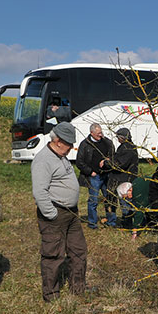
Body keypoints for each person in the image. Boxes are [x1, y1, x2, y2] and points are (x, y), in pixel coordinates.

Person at [31, 122, 87, 302]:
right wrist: (51, 213)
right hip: (55, 213)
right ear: (58, 141)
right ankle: (51, 294)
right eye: (69, 144)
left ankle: (78, 288)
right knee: (53, 254)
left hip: (72, 213)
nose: (71, 148)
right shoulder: (43, 160)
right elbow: (40, 192)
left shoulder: (61, 156)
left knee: (78, 250)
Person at [76, 123, 116, 229]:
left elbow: (112, 153)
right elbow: (79, 162)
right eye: (98, 133)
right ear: (91, 133)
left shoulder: (106, 142)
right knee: (93, 201)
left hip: (106, 174)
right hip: (94, 176)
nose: (100, 135)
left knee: (109, 198)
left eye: (101, 132)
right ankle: (92, 223)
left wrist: (108, 160)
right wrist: (90, 172)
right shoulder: (85, 144)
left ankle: (111, 221)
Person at [107, 127, 138, 215]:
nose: (117, 139)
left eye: (118, 137)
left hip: (124, 179)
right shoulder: (126, 147)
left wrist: (107, 162)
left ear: (123, 137)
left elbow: (120, 164)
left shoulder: (127, 148)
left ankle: (126, 222)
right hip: (125, 177)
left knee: (125, 202)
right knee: (124, 201)